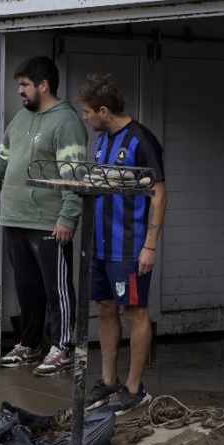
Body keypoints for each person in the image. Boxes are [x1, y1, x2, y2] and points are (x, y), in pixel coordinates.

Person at [0, 56, 87, 376]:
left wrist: (68, 216)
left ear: (43, 85)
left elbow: (74, 175)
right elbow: (3, 162)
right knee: (27, 287)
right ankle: (29, 344)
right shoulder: (20, 119)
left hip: (48, 220)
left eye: (25, 85)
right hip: (15, 217)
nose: (20, 91)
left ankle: (63, 347)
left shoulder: (66, 122)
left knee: (56, 287)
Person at [77, 74, 167, 415]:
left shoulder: (142, 140)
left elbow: (159, 193)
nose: (86, 118)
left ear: (103, 110)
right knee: (103, 308)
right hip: (99, 245)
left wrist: (150, 245)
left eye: (88, 112)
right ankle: (108, 382)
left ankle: (134, 388)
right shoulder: (101, 141)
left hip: (128, 247)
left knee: (134, 311)